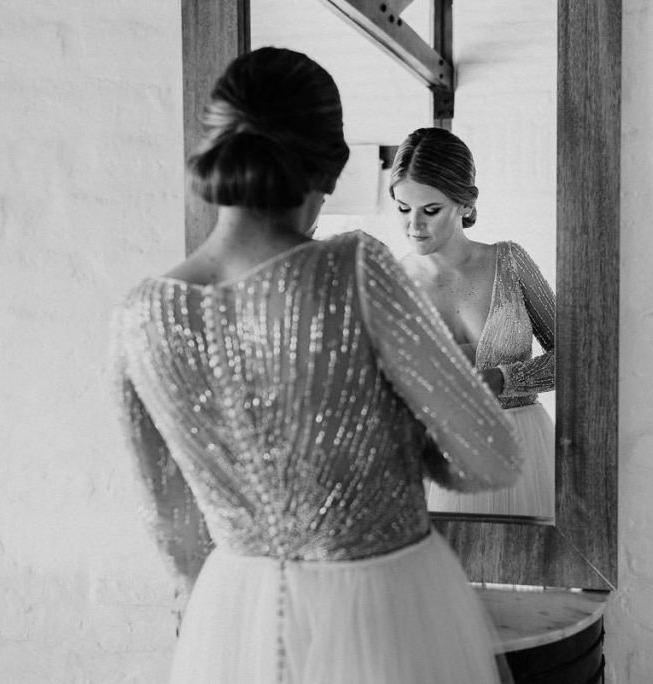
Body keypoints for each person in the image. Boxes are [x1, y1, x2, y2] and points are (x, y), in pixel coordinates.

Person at [109, 47, 520, 684]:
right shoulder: (351, 269)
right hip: (378, 602)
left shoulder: (139, 316)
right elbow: (491, 456)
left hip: (231, 617)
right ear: (330, 165)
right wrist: (397, 441)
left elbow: (175, 531)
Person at [390, 127, 556, 520]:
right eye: (403, 208)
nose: (414, 226)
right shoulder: (393, 281)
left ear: (466, 203)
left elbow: (577, 359)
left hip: (523, 448)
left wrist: (500, 379)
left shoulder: (510, 262)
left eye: (431, 210)